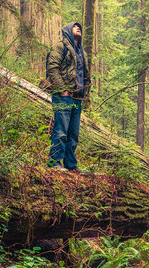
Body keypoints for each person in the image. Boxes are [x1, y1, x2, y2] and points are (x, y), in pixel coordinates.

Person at [47, 22, 90, 172]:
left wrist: (85, 92)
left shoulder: (82, 52)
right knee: (61, 130)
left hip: (77, 98)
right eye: (75, 26)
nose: (78, 28)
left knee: (73, 134)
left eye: (80, 27)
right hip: (63, 96)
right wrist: (62, 90)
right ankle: (54, 162)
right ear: (67, 31)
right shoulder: (60, 46)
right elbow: (53, 68)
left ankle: (70, 165)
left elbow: (85, 74)